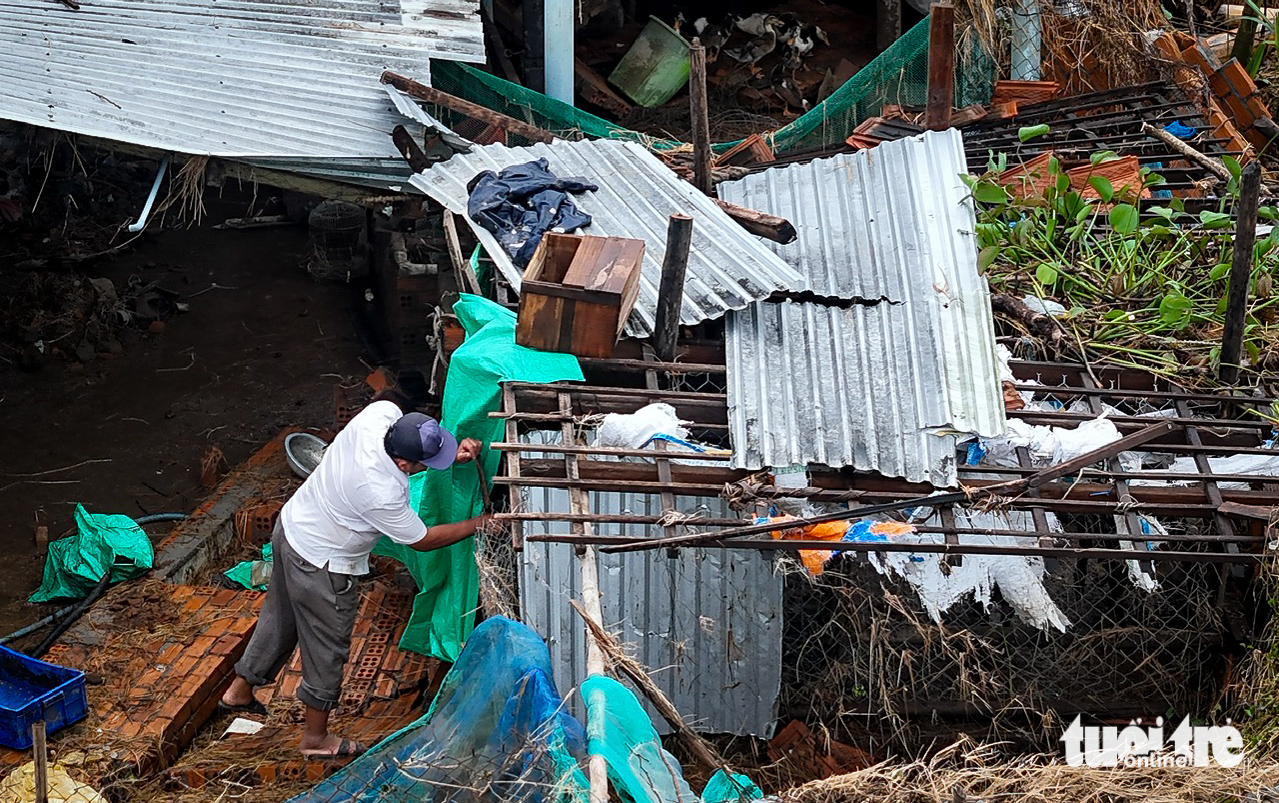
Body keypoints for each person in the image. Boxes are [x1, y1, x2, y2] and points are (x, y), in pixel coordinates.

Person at [218, 398, 491, 759]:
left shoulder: (381, 415)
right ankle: (315, 740)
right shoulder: (381, 491)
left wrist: (451, 451)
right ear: (403, 463)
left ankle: (238, 692)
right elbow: (422, 540)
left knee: (279, 618)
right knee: (326, 647)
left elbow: (416, 445)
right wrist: (478, 524)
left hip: (293, 526)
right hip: (322, 564)